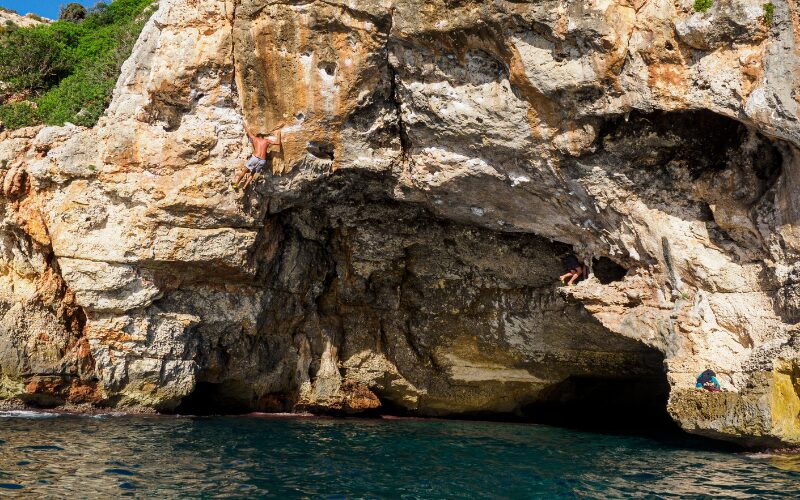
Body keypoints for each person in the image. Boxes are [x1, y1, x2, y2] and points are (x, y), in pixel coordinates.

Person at [232, 121, 285, 191]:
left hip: (255, 158)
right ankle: (245, 186)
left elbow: (248, 131)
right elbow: (278, 143)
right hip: (263, 160)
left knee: (244, 171)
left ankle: (236, 184)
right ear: (263, 137)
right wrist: (279, 133)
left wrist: (243, 123)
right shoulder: (266, 140)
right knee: (253, 173)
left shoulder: (254, 138)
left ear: (258, 136)